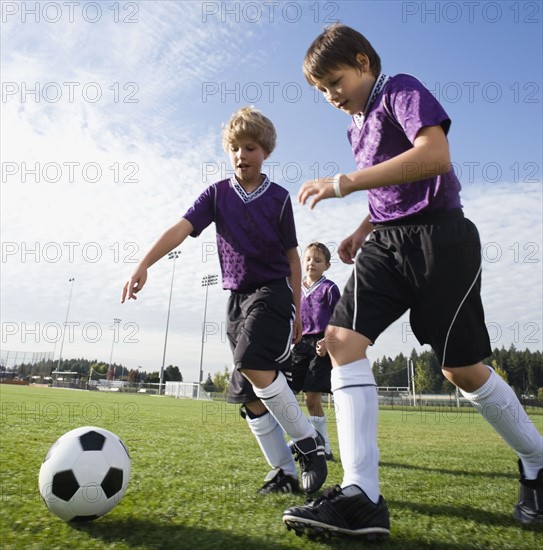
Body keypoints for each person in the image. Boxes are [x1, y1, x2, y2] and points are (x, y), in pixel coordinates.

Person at [282, 24, 543, 539]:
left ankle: (536, 460)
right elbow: (391, 190)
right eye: (322, 92)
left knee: (461, 370)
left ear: (363, 62)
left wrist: (343, 184)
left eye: (335, 82)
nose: (332, 97)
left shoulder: (400, 88)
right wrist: (362, 228)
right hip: (387, 245)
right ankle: (362, 495)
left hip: (442, 241)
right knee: (339, 340)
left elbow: (433, 156)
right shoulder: (354, 126)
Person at [121, 106, 327, 496]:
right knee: (249, 397)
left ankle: (307, 442)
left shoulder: (280, 199)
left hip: (273, 293)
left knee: (250, 361)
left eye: (250, 147)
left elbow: (293, 258)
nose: (241, 155)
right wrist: (144, 263)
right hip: (236, 299)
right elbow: (180, 229)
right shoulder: (216, 195)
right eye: (235, 148)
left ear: (264, 151)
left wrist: (299, 308)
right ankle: (283, 472)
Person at [290, 242, 340, 461]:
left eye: (318, 260)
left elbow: (340, 319)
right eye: (309, 259)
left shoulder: (330, 288)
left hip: (321, 345)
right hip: (299, 345)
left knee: (312, 399)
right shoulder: (294, 288)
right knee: (285, 393)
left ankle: (324, 445)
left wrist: (328, 341)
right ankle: (303, 436)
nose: (312, 263)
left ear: (326, 265)